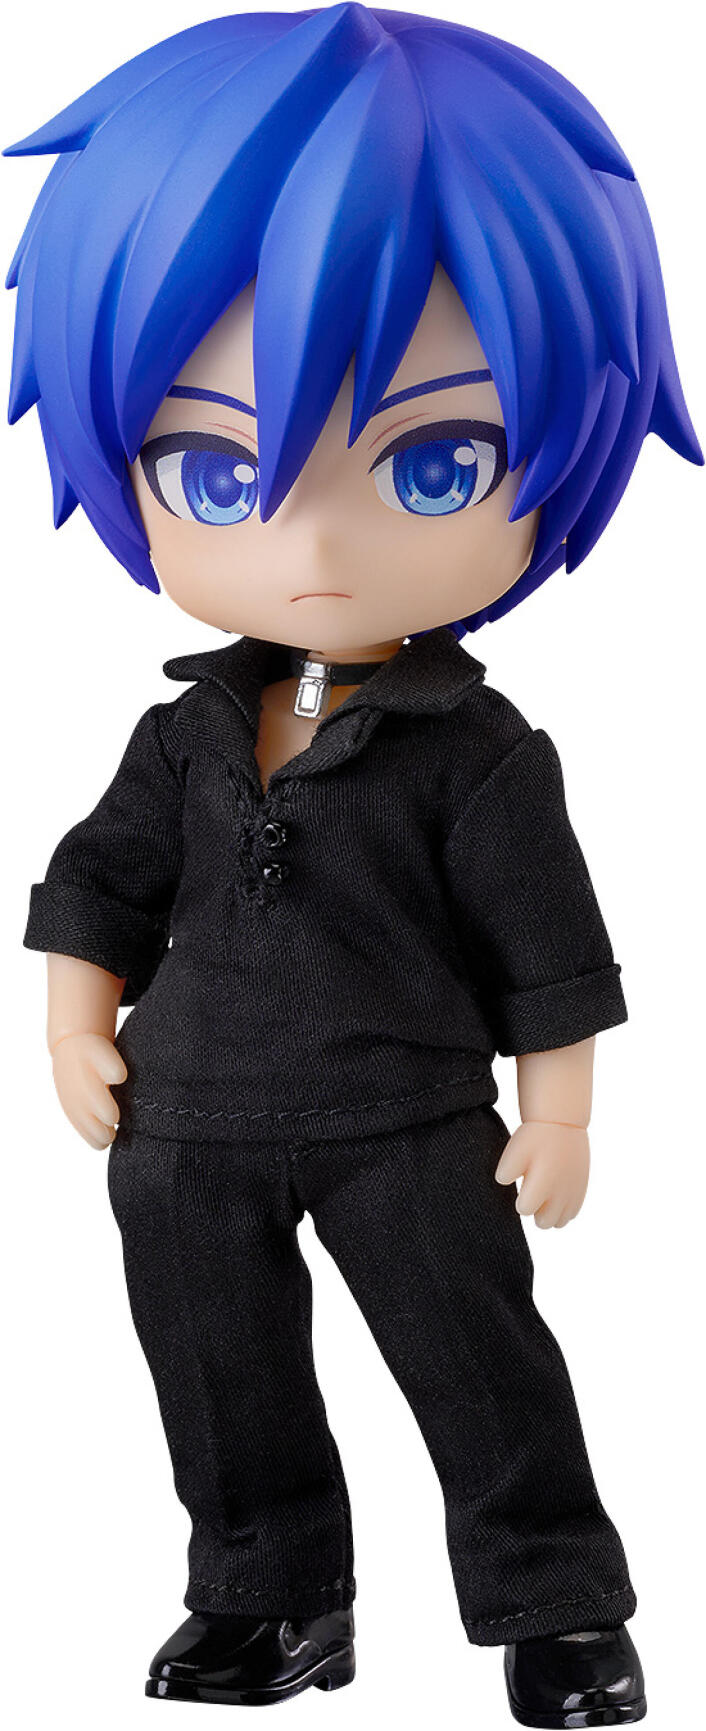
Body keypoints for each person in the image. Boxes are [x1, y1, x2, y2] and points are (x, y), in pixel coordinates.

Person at [6, 7, 701, 1722]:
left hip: (406, 1121)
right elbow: (100, 882)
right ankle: (266, 1600)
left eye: (433, 461)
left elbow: (546, 950)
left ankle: (554, 1605)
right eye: (215, 465)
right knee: (216, 1378)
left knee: (478, 1366)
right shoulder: (182, 729)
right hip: (185, 1124)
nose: (310, 542)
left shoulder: (480, 751)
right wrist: (76, 1025)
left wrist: (557, 1116)